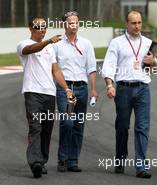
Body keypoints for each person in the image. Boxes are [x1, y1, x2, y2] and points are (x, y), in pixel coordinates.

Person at [102, 10, 157, 178]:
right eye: (133, 23)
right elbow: (109, 65)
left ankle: (141, 166)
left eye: (139, 23)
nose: (137, 26)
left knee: (142, 127)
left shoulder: (148, 43)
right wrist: (109, 85)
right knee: (122, 127)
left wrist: (153, 62)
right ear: (126, 24)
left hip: (143, 89)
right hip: (123, 89)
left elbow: (154, 69)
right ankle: (120, 159)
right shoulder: (117, 43)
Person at [17, 17, 74, 178]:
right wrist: (49, 41)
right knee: (35, 127)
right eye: (38, 27)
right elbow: (32, 50)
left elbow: (55, 71)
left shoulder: (50, 49)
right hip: (32, 92)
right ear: (30, 28)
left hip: (49, 93)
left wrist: (66, 88)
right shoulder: (24, 44)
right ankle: (34, 162)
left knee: (47, 130)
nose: (42, 29)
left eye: (44, 27)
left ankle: (41, 161)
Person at [53, 11, 98, 172]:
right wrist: (65, 88)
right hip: (65, 89)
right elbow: (55, 69)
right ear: (64, 24)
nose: (74, 25)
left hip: (82, 88)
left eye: (76, 22)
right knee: (67, 122)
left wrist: (93, 89)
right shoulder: (57, 44)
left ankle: (73, 160)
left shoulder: (86, 44)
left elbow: (91, 68)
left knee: (78, 125)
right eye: (71, 22)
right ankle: (62, 158)